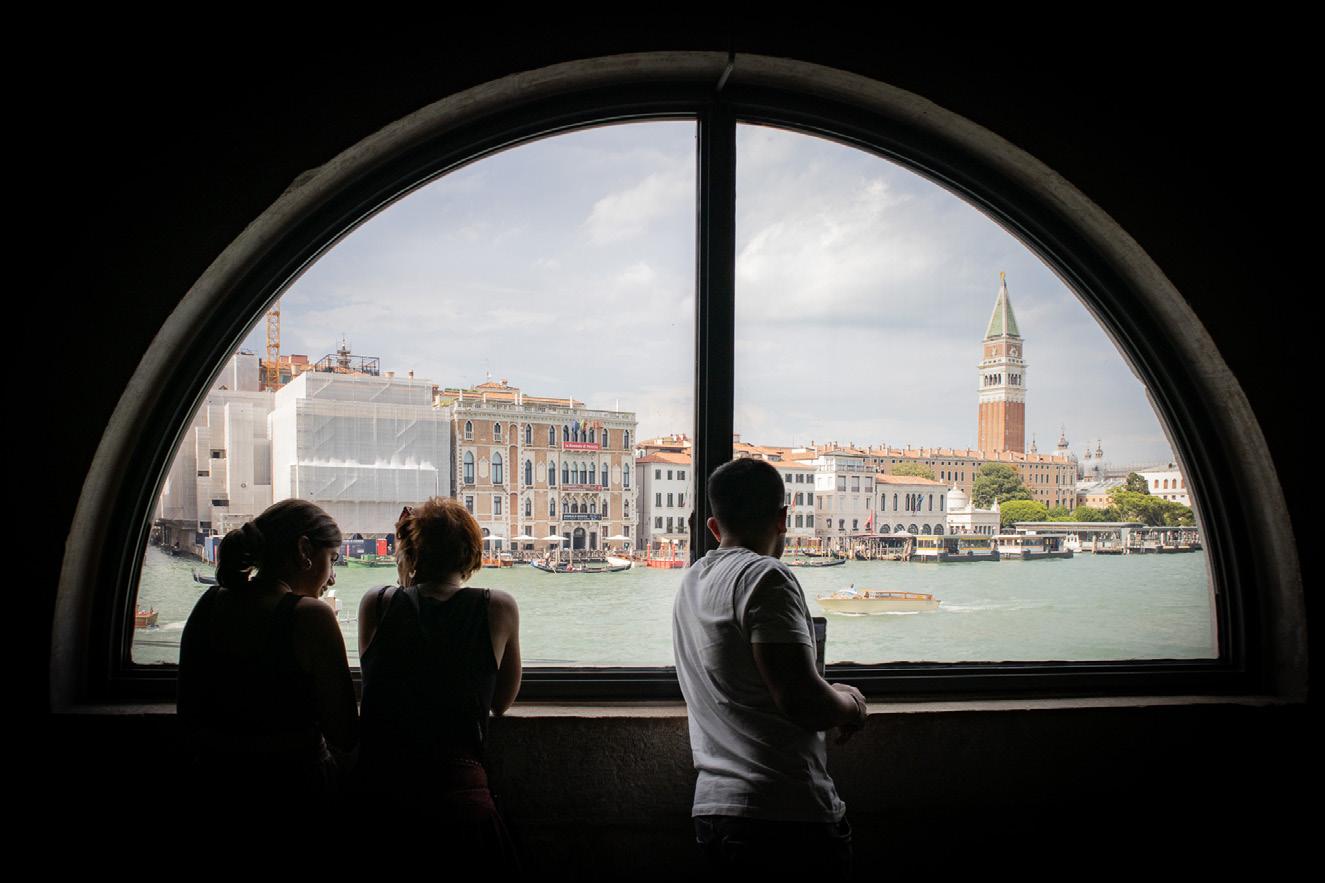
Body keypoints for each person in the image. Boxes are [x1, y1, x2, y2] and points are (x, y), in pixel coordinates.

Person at [673, 458, 868, 878]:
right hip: (784, 815)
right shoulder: (767, 576)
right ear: (783, 518)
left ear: (714, 526)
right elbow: (801, 700)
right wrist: (852, 704)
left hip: (714, 812)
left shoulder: (691, 581)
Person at [356, 498, 521, 856]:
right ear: (470, 553)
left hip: (384, 793)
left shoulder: (377, 603)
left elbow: (374, 682)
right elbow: (501, 702)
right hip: (461, 794)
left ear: (411, 554)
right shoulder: (499, 607)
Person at [178, 499, 358, 797]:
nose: (332, 577)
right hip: (296, 786)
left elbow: (188, 713)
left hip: (213, 779)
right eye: (332, 558)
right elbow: (344, 732)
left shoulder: (208, 604)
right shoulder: (311, 617)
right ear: (304, 550)